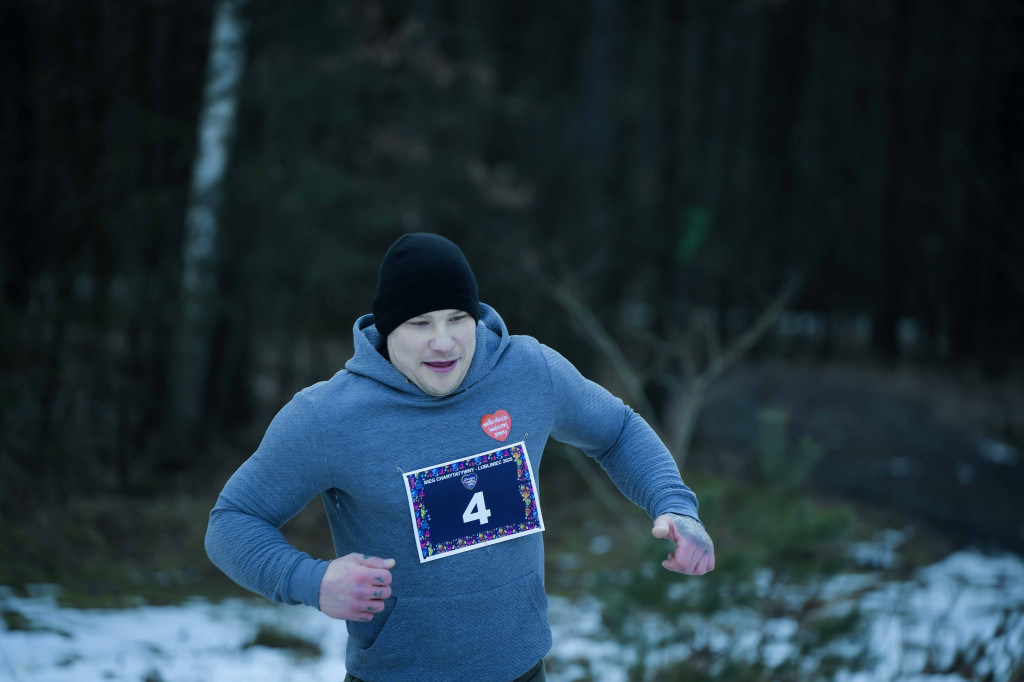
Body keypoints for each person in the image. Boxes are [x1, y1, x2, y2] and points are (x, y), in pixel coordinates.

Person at [205, 232, 715, 682]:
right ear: (387, 331)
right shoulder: (328, 417)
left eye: (457, 318)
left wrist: (673, 504)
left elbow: (617, 430)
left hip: (523, 671)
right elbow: (232, 521)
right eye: (420, 323)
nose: (444, 341)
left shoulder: (528, 373)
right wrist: (311, 581)